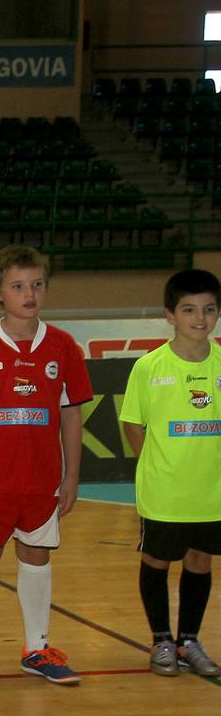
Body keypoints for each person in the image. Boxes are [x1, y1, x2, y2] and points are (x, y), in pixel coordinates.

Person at [0, 245, 91, 687]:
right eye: (18, 286)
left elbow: (71, 413)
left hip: (42, 479)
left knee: (36, 555)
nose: (29, 294)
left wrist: (71, 476)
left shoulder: (63, 346)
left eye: (37, 285)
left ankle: (37, 648)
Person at [118, 268, 221, 676]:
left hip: (211, 492)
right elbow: (132, 422)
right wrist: (155, 464)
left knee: (200, 560)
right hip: (165, 492)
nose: (200, 318)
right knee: (157, 560)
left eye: (209, 309)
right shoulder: (150, 367)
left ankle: (189, 641)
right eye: (189, 309)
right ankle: (161, 640)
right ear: (170, 315)